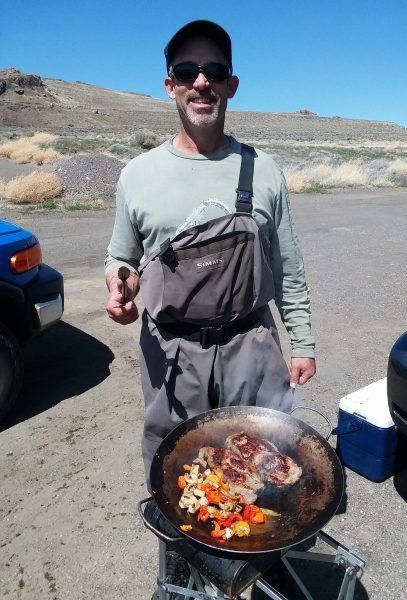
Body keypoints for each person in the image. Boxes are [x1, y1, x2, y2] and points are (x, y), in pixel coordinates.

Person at [105, 20, 316, 493]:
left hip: (252, 346)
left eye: (214, 71)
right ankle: (183, 559)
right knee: (179, 470)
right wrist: (120, 283)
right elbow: (121, 257)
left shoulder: (263, 171)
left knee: (262, 462)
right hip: (174, 354)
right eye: (186, 71)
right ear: (170, 86)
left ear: (231, 85)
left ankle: (254, 555)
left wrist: (301, 340)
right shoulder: (137, 175)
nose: (201, 82)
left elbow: (288, 266)